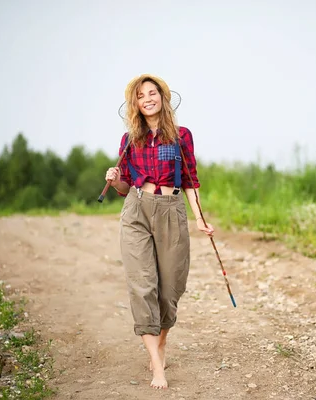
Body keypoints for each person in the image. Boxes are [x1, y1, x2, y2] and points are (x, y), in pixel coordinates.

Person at [104, 73, 214, 389]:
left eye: (153, 93)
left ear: (163, 98)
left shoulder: (181, 136)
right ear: (135, 103)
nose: (148, 98)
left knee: (170, 289)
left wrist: (200, 219)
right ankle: (156, 365)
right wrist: (114, 179)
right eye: (141, 95)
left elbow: (191, 181)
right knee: (142, 285)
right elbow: (124, 187)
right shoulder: (129, 140)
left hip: (171, 210)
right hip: (137, 210)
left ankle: (161, 341)